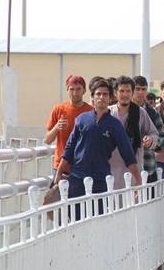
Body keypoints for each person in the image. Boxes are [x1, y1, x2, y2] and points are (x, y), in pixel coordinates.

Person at [54, 79, 142, 207]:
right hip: (77, 177)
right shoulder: (82, 119)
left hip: (101, 180)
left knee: (98, 219)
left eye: (105, 94)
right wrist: (58, 173)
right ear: (93, 97)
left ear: (110, 97)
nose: (101, 97)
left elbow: (127, 154)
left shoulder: (115, 125)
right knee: (75, 220)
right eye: (98, 94)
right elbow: (69, 148)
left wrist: (138, 179)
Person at [108, 75, 159, 189]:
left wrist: (150, 140)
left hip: (133, 170)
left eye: (128, 91)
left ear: (132, 93)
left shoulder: (140, 113)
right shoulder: (108, 113)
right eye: (121, 91)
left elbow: (153, 133)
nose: (125, 95)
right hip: (110, 170)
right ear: (115, 93)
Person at [45, 75, 94, 177]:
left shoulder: (91, 111)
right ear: (67, 90)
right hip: (61, 167)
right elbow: (48, 140)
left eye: (78, 89)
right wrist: (57, 127)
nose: (75, 93)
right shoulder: (58, 109)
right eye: (71, 89)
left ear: (84, 90)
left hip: (83, 166)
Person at [131, 75, 164, 184]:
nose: (140, 92)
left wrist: (153, 141)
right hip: (126, 170)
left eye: (143, 89)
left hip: (148, 167)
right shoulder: (123, 111)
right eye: (137, 89)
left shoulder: (153, 113)